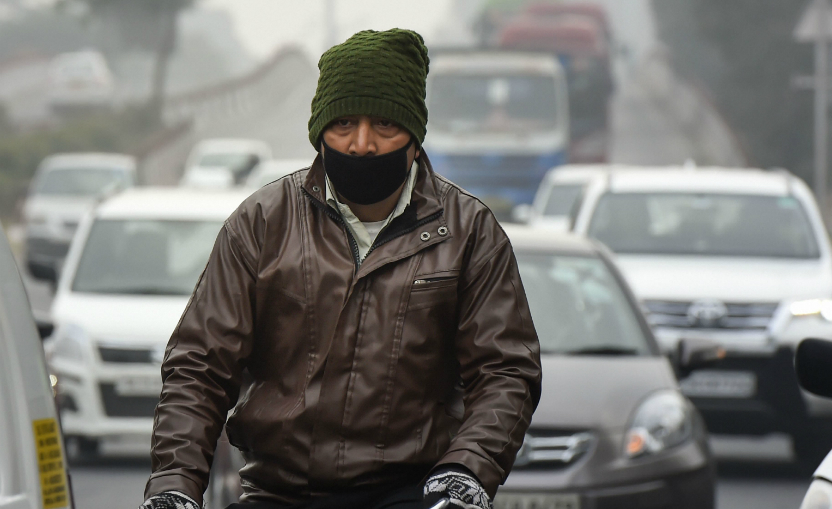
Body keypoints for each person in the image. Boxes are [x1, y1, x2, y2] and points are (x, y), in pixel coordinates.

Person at [139, 29, 542, 509]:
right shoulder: (262, 222)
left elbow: (506, 370)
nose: (362, 144)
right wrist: (174, 483)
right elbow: (199, 365)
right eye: (345, 123)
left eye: (385, 126)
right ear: (319, 131)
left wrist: (468, 468)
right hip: (277, 492)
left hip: (416, 494)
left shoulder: (470, 232)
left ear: (414, 140)